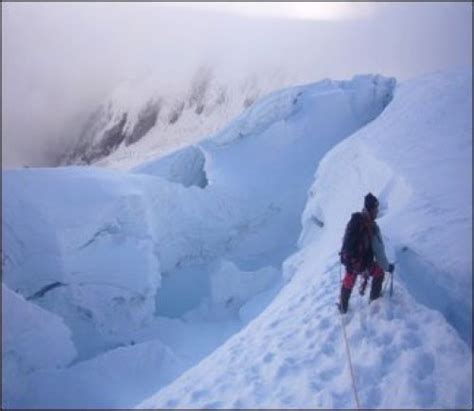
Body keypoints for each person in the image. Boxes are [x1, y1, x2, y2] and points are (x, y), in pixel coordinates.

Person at [338, 193, 394, 314]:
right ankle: (374, 301)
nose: (377, 212)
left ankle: (343, 308)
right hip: (362, 263)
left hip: (350, 260)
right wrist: (387, 267)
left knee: (348, 282)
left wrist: (347, 258)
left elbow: (347, 240)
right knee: (379, 273)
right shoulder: (370, 227)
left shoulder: (355, 220)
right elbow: (379, 253)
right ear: (371, 209)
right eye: (376, 209)